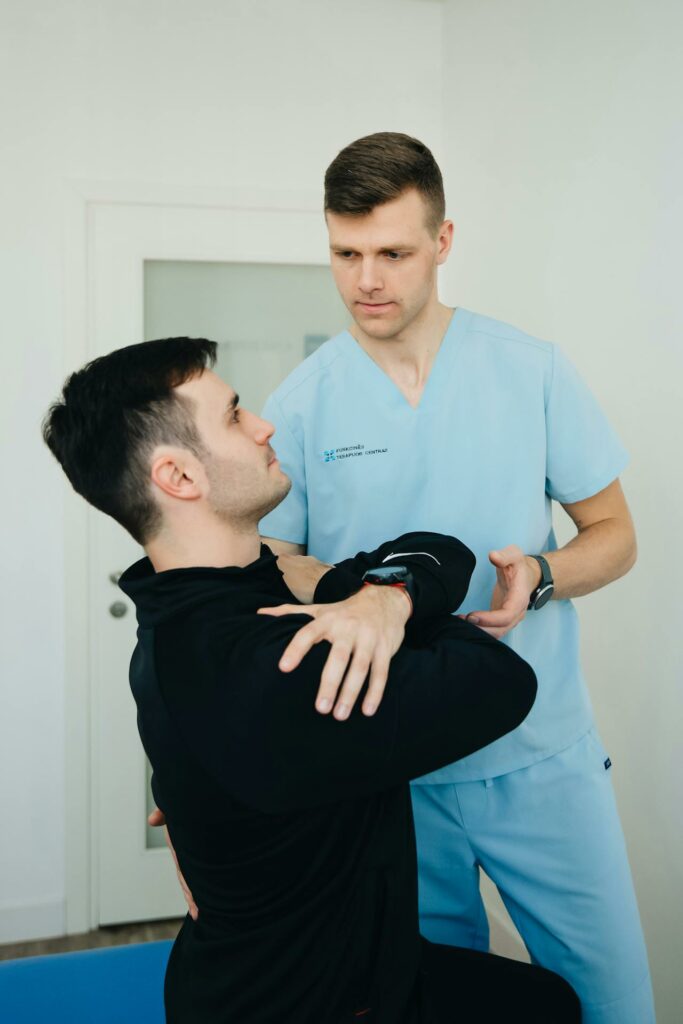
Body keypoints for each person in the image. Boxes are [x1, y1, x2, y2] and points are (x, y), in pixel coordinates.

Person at [42, 337, 580, 1023]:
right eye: (235, 416)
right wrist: (368, 592)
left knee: (545, 1002)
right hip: (310, 1003)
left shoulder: (201, 601)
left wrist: (383, 595)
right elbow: (498, 679)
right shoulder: (273, 664)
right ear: (179, 477)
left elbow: (438, 548)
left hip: (336, 965)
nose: (264, 426)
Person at [257, 132, 655, 1024]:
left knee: (614, 1003)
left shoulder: (530, 369)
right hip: (389, 773)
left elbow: (615, 536)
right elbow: (271, 555)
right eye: (345, 253)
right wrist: (346, 591)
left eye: (393, 253)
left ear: (442, 242)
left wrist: (543, 574)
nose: (367, 279)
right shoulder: (301, 400)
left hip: (539, 755)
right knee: (425, 1005)